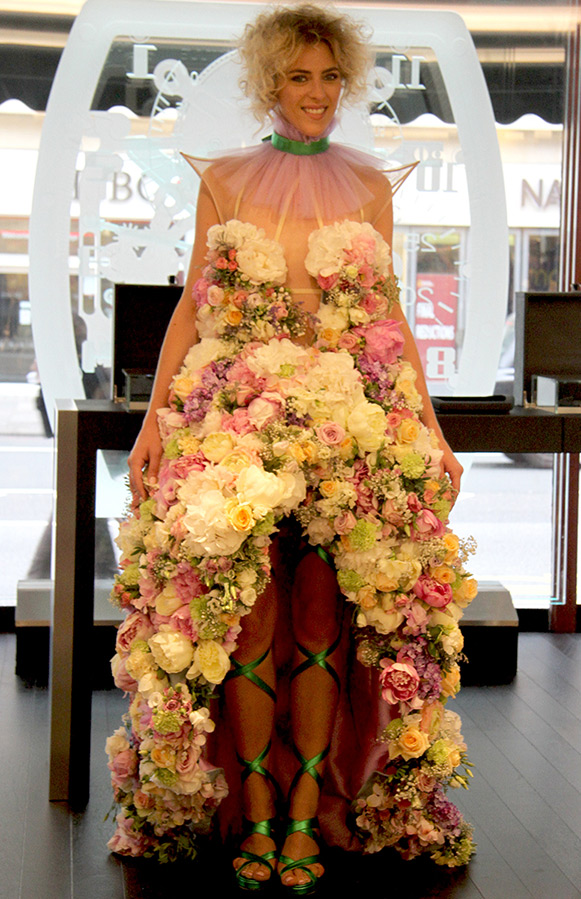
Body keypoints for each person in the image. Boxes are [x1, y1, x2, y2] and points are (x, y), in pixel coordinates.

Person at [107, 3, 476, 892]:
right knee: (245, 627)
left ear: (343, 82)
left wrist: (430, 427)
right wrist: (155, 417)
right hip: (238, 422)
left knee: (320, 625)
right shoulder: (225, 180)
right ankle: (255, 812)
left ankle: (310, 815)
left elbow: (386, 316)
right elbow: (194, 306)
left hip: (349, 428)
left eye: (327, 77)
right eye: (297, 77)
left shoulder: (370, 186)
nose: (315, 93)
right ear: (269, 83)